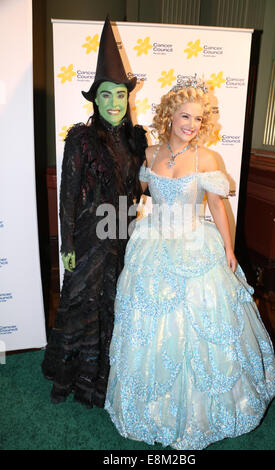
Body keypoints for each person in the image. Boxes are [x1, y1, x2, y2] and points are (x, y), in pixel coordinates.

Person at [104, 79, 275, 449]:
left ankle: (207, 408)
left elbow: (218, 206)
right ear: (169, 115)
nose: (191, 125)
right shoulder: (150, 155)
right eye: (185, 116)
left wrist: (229, 250)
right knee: (150, 323)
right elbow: (136, 195)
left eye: (199, 119)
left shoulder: (208, 159)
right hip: (153, 243)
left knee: (204, 325)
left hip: (195, 245)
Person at [41, 17, 147, 408]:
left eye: (120, 95)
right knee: (80, 303)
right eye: (106, 95)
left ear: (127, 98)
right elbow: (67, 195)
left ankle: (100, 381)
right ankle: (69, 378)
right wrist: (66, 242)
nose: (115, 103)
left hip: (121, 236)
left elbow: (137, 192)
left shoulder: (137, 141)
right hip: (88, 237)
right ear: (95, 99)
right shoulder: (81, 140)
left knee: (110, 305)